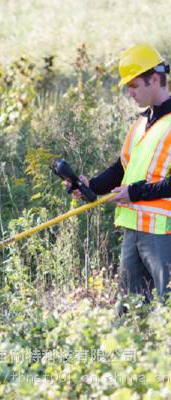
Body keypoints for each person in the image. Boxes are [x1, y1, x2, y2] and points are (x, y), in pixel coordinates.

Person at [72, 44, 171, 313]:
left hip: (163, 233)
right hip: (134, 231)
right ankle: (126, 352)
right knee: (127, 309)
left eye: (134, 85)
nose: (130, 93)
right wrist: (90, 185)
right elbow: (121, 169)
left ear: (154, 79)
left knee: (166, 308)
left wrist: (135, 193)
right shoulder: (140, 124)